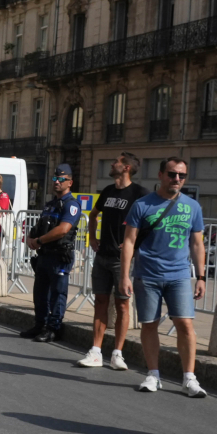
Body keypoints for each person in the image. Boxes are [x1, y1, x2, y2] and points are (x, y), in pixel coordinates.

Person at [120, 156, 207, 397]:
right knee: (149, 324)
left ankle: (189, 378)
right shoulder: (142, 205)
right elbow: (129, 241)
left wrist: (201, 277)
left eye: (181, 175)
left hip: (179, 275)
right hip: (147, 274)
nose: (176, 179)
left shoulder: (193, 206)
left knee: (185, 324)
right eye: (172, 174)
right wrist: (124, 275)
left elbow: (197, 244)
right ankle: (153, 374)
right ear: (160, 175)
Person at [77, 153, 144, 370]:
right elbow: (94, 214)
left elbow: (151, 222)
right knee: (100, 303)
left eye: (116, 161)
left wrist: (136, 243)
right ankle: (96, 352)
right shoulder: (107, 191)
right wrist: (93, 237)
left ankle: (117, 354)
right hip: (102, 256)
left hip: (122, 261)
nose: (112, 163)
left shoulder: (139, 193)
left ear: (126, 168)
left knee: (123, 305)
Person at [22, 164, 79, 344]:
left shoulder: (71, 205)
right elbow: (40, 226)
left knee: (57, 294)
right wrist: (31, 237)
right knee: (40, 294)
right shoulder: (51, 204)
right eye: (55, 179)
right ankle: (40, 324)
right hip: (45, 256)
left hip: (59, 256)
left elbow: (62, 230)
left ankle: (53, 329)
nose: (57, 182)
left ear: (70, 182)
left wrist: (39, 241)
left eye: (61, 179)